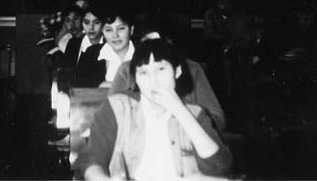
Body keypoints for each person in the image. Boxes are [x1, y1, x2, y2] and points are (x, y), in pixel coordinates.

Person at [75, 39, 232, 180]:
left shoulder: (195, 113)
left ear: (177, 71)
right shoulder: (117, 108)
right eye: (143, 73)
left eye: (161, 69)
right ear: (135, 78)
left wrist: (180, 111)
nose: (153, 80)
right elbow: (91, 157)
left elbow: (219, 166)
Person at [109, 25, 226, 130]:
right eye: (147, 44)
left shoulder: (192, 68)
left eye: (159, 44)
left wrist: (182, 116)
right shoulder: (127, 69)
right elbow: (111, 114)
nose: (152, 51)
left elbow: (218, 118)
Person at [77, 10, 135, 87]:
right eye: (108, 30)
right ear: (102, 32)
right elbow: (80, 87)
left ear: (131, 30)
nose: (115, 35)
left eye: (121, 28)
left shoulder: (144, 54)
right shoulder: (90, 54)